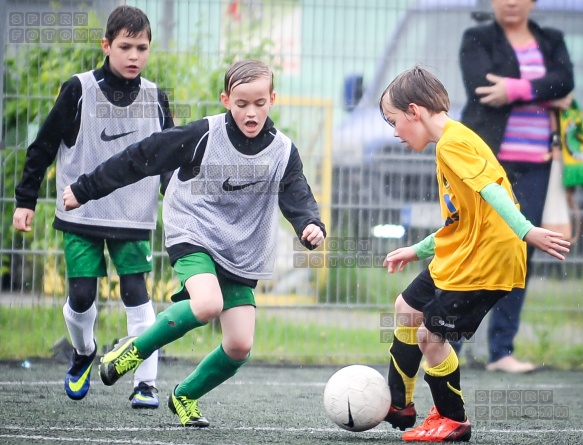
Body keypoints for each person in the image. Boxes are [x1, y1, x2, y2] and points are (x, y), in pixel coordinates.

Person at [61, 59, 326, 427]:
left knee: (240, 345)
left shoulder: (282, 151)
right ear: (225, 100)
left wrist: (310, 225)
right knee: (207, 303)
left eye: (260, 103)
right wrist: (85, 188)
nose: (251, 112)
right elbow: (142, 156)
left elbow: (297, 195)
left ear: (273, 99)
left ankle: (184, 396)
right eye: (241, 103)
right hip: (194, 230)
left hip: (241, 249)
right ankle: (132, 350)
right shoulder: (204, 134)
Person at [378, 66, 569, 442]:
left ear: (414, 111)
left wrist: (526, 230)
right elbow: (461, 220)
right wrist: (417, 250)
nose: (395, 132)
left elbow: (493, 192)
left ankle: (453, 420)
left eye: (394, 121)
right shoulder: (448, 143)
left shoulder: (453, 143)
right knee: (406, 308)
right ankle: (400, 402)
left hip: (487, 259)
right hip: (464, 250)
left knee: (431, 337)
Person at [12, 5, 175, 408]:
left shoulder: (156, 97)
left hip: (134, 216)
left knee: (137, 293)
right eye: (125, 46)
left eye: (142, 47)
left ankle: (146, 382)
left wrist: (178, 207)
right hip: (80, 215)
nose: (134, 55)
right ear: (106, 45)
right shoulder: (78, 90)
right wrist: (25, 200)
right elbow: (43, 146)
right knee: (82, 295)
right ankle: (84, 352)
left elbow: (170, 160)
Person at [458, 0, 575, 373]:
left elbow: (566, 82)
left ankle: (501, 351)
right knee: (476, 248)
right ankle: (449, 342)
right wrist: (542, 88)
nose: (510, 2)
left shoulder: (552, 39)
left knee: (522, 252)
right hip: (490, 164)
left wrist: (514, 88)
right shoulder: (477, 37)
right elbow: (481, 85)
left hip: (539, 166)